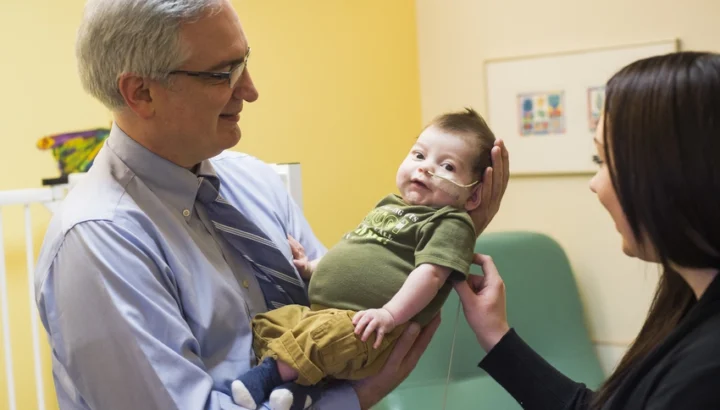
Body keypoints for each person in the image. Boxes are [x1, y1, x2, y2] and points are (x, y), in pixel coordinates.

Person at [33, 1, 510, 409]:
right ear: (141, 92)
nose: (250, 90)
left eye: (245, 62)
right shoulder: (100, 240)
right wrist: (351, 401)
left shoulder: (255, 182)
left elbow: (345, 310)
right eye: (224, 74)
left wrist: (450, 227)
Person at [454, 51, 720, 409]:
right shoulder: (689, 309)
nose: (595, 183)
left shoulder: (705, 372)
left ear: (667, 170)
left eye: (603, 160)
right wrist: (495, 334)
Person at [230, 108, 495, 410]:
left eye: (447, 166)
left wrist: (390, 314)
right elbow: (354, 249)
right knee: (270, 322)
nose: (426, 169)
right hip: (323, 314)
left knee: (324, 337)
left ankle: (266, 377)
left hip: (371, 328)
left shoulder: (450, 222)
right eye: (419, 156)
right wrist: (310, 268)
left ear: (472, 197)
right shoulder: (389, 205)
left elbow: (432, 275)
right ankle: (304, 393)